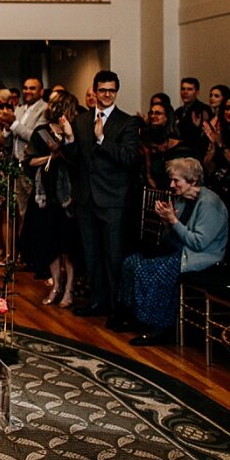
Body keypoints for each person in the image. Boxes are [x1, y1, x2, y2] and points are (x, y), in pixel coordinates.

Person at [60, 70, 141, 328]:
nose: (106, 94)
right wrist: (69, 140)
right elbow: (74, 161)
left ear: (116, 92)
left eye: (111, 90)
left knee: (113, 256)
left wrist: (103, 139)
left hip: (113, 199)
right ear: (94, 91)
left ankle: (118, 308)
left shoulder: (127, 123)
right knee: (91, 254)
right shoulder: (81, 120)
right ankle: (98, 301)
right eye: (102, 90)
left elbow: (128, 158)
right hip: (86, 198)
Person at [119, 157, 227, 346]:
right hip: (178, 249)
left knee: (149, 270)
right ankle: (134, 316)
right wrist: (166, 222)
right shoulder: (183, 200)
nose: (172, 185)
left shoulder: (210, 203)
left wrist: (174, 222)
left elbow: (198, 243)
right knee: (131, 262)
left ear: (193, 181)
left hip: (199, 257)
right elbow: (171, 237)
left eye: (177, 180)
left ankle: (159, 328)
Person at [19, 91, 81, 308]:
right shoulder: (41, 132)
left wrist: (69, 139)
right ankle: (56, 285)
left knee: (68, 245)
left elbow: (78, 160)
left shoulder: (76, 132)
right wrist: (51, 157)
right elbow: (29, 161)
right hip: (46, 193)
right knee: (51, 243)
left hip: (69, 196)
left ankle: (70, 288)